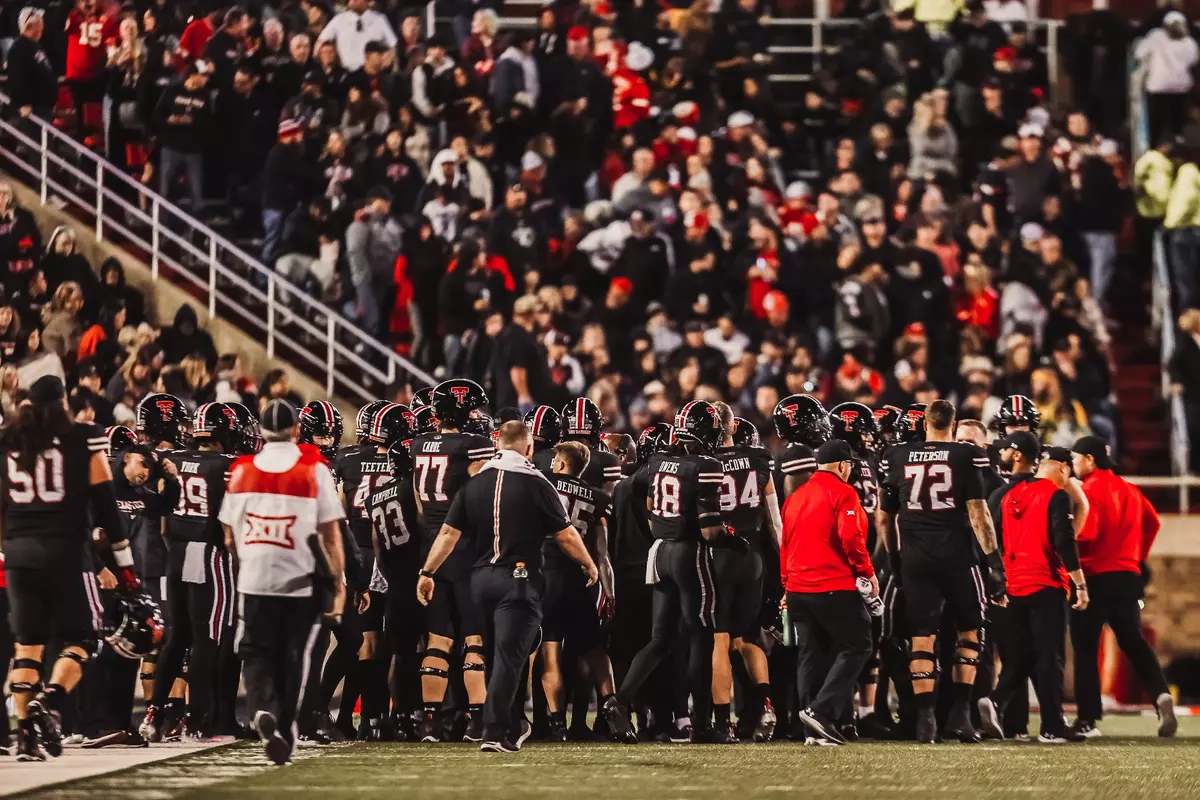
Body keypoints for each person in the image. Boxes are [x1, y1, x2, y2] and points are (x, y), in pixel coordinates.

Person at [1, 375, 155, 761]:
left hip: (19, 555)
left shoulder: (9, 440)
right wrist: (127, 572)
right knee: (85, 640)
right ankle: (49, 701)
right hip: (67, 553)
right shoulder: (84, 437)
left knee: (26, 649)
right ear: (63, 403)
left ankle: (23, 740)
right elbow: (106, 507)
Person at [417, 422, 597, 753]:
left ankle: (506, 723)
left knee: (490, 654)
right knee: (509, 657)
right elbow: (566, 534)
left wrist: (427, 572)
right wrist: (588, 562)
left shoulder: (474, 484)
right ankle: (495, 730)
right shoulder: (536, 482)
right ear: (528, 449)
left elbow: (447, 535)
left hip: (480, 580)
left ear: (497, 444)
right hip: (518, 577)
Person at [219, 399, 346, 765]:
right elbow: (330, 532)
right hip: (299, 575)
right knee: (294, 656)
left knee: (256, 652)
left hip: (255, 576)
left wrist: (247, 560)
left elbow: (228, 534)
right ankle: (286, 723)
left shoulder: (241, 469)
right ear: (295, 430)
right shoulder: (313, 468)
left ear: (260, 430)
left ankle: (263, 708)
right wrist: (338, 582)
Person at [604, 400, 736, 744]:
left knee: (660, 639)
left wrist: (666, 526)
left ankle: (620, 700)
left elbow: (648, 505)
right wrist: (733, 539)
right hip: (689, 553)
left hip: (658, 550)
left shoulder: (659, 461)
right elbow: (710, 530)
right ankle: (704, 726)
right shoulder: (705, 465)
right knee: (701, 638)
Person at [877, 399, 1006, 744]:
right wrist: (994, 561)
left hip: (916, 557)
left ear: (924, 424)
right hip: (958, 556)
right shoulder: (965, 456)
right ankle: (961, 713)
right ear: (952, 424)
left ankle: (924, 718)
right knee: (970, 633)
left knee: (922, 638)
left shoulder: (898, 456)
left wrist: (893, 556)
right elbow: (979, 513)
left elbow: (884, 517)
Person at [140, 402, 238, 741]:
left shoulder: (175, 459)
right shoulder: (228, 465)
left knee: (176, 635)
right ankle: (197, 720)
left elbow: (163, 516)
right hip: (208, 552)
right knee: (205, 639)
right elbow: (230, 522)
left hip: (175, 552)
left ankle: (153, 714)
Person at [1068, 436, 1177, 739]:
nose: (1074, 465)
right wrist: (1135, 556)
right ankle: (1161, 695)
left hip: (1093, 578)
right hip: (1127, 576)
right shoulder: (1129, 489)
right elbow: (1153, 522)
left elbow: (1087, 533)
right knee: (1133, 642)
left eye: (1076, 458)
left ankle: (1087, 720)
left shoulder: (1086, 492)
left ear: (1089, 459)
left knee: (1086, 648)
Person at [410, 379, 495, 742]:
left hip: (429, 542)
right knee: (474, 637)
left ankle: (431, 720)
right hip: (462, 543)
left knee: (438, 638)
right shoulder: (474, 444)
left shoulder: (417, 444)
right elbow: (482, 495)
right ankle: (477, 719)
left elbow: (419, 500)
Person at [990, 437, 1089, 743]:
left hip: (1014, 585)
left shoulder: (1009, 495)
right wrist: (1080, 584)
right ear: (1061, 467)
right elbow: (1063, 541)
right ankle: (1051, 726)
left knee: (1021, 656)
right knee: (1049, 657)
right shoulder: (1055, 496)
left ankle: (994, 701)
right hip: (1045, 583)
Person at [780, 438, 877, 746]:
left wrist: (786, 584)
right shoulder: (844, 492)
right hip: (831, 585)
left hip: (797, 587)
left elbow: (785, 545)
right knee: (859, 644)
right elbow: (851, 538)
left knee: (811, 653)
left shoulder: (795, 497)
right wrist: (866, 573)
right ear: (842, 465)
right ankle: (821, 712)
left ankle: (813, 730)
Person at [536, 440, 615, 742]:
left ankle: (557, 725)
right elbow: (602, 553)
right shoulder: (597, 497)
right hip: (584, 579)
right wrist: (609, 593)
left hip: (548, 575)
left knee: (551, 652)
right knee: (593, 651)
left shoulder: (543, 482)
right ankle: (611, 707)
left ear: (560, 463)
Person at [711, 406, 780, 741]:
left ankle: (723, 723)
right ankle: (765, 705)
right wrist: (783, 566)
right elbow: (774, 520)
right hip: (753, 557)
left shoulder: (703, 462)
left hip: (718, 557)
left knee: (720, 640)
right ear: (733, 426)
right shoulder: (759, 456)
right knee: (749, 638)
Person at [317, 0, 397, 72]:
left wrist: (390, 62)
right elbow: (320, 43)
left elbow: (393, 44)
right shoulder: (339, 20)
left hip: (372, 73)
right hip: (346, 74)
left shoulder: (379, 19)